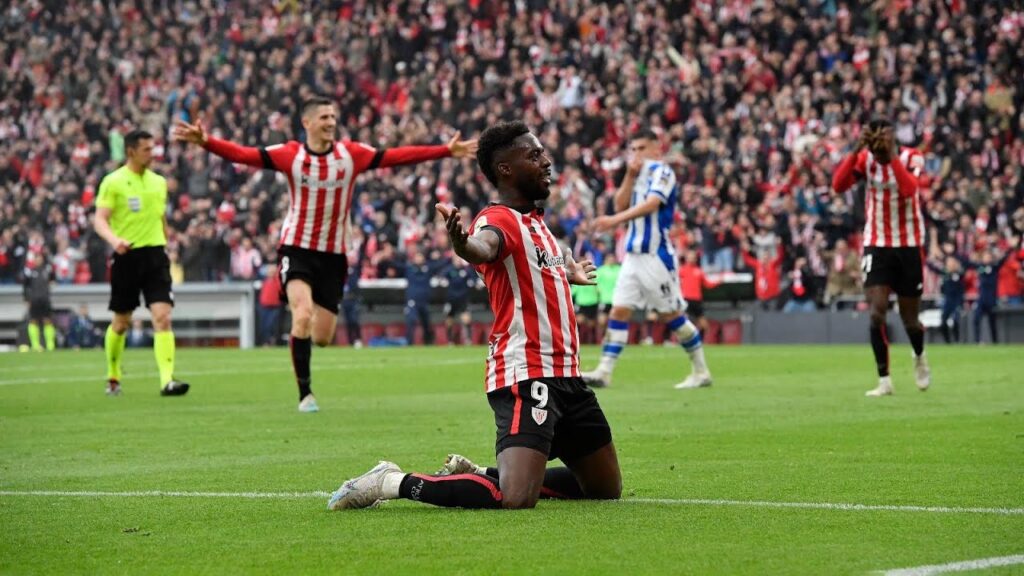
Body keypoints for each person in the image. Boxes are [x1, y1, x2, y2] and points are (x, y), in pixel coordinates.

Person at [328, 120, 621, 511]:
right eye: (534, 155)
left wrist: (564, 271)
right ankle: (391, 481)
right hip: (526, 372)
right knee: (516, 499)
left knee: (603, 488)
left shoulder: (539, 226)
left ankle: (484, 474)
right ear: (505, 169)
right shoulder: (496, 220)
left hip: (568, 376)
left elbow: (534, 267)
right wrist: (462, 243)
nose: (546, 161)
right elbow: (484, 247)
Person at [172, 96, 477, 412]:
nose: (331, 122)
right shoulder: (290, 154)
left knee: (322, 337)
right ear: (307, 123)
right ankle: (306, 394)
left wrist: (445, 150)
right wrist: (206, 141)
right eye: (324, 118)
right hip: (297, 248)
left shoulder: (351, 155)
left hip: (334, 256)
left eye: (333, 117)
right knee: (301, 315)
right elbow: (245, 155)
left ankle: (304, 336)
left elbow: (395, 157)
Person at [582, 130, 712, 390]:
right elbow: (619, 205)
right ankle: (604, 371)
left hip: (656, 256)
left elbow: (652, 204)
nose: (636, 154)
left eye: (641, 148)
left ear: (656, 148)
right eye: (633, 149)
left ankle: (701, 371)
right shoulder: (637, 174)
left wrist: (614, 222)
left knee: (671, 316)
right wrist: (629, 176)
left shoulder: (663, 172)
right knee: (619, 310)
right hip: (632, 256)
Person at [832, 117, 931, 397]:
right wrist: (855, 149)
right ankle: (884, 380)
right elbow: (838, 185)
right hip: (877, 244)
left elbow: (909, 189)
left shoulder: (911, 156)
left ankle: (919, 355)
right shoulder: (865, 160)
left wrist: (890, 158)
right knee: (876, 313)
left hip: (909, 244)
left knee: (910, 320)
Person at [94, 129, 189, 397]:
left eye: (153, 148)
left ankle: (167, 380)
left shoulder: (159, 182)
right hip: (127, 256)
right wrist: (115, 241)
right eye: (147, 149)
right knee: (121, 322)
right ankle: (113, 375)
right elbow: (100, 219)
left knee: (163, 316)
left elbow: (160, 218)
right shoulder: (113, 182)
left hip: (156, 256)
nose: (153, 153)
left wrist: (168, 241)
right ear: (131, 151)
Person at [966, 248, 1009, 344]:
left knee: (992, 322)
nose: (987, 258)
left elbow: (1003, 260)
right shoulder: (979, 267)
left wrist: (1009, 249)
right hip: (981, 298)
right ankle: (977, 341)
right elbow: (967, 263)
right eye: (985, 256)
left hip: (992, 299)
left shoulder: (995, 267)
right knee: (976, 319)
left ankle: (995, 341)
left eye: (989, 256)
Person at [678, 249, 720, 335]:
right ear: (686, 258)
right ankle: (679, 341)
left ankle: (700, 341)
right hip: (686, 299)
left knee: (703, 323)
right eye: (689, 257)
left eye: (693, 257)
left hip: (697, 300)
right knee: (683, 321)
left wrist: (718, 281)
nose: (691, 259)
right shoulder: (682, 270)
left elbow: (707, 284)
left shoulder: (699, 271)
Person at [927, 253, 966, 344]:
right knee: (943, 321)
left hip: (956, 301)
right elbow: (932, 267)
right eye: (948, 262)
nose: (950, 264)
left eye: (952, 262)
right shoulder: (944, 273)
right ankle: (947, 342)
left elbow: (965, 264)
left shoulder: (959, 273)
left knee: (956, 320)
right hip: (947, 301)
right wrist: (930, 259)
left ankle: (957, 341)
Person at [22, 251, 56, 352]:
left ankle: (50, 345)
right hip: (34, 300)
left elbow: (53, 279)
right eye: (36, 258)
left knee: (47, 320)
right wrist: (27, 299)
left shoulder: (47, 269)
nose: (38, 260)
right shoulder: (30, 272)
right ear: (34, 260)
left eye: (40, 258)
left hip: (45, 299)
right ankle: (35, 345)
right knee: (33, 321)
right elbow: (25, 287)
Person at [443, 256, 477, 345]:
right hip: (451, 299)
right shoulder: (449, 270)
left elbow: (474, 278)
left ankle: (468, 340)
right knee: (449, 320)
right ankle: (450, 341)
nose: (458, 262)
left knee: (466, 319)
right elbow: (441, 276)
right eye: (456, 260)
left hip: (463, 298)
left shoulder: (466, 270)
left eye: (459, 260)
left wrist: (474, 282)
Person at [258, 262, 283, 347]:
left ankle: (272, 342)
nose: (271, 271)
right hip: (265, 306)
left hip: (275, 306)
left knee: (273, 326)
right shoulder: (263, 280)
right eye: (270, 269)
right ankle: (266, 342)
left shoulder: (278, 281)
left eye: (273, 269)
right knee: (264, 326)